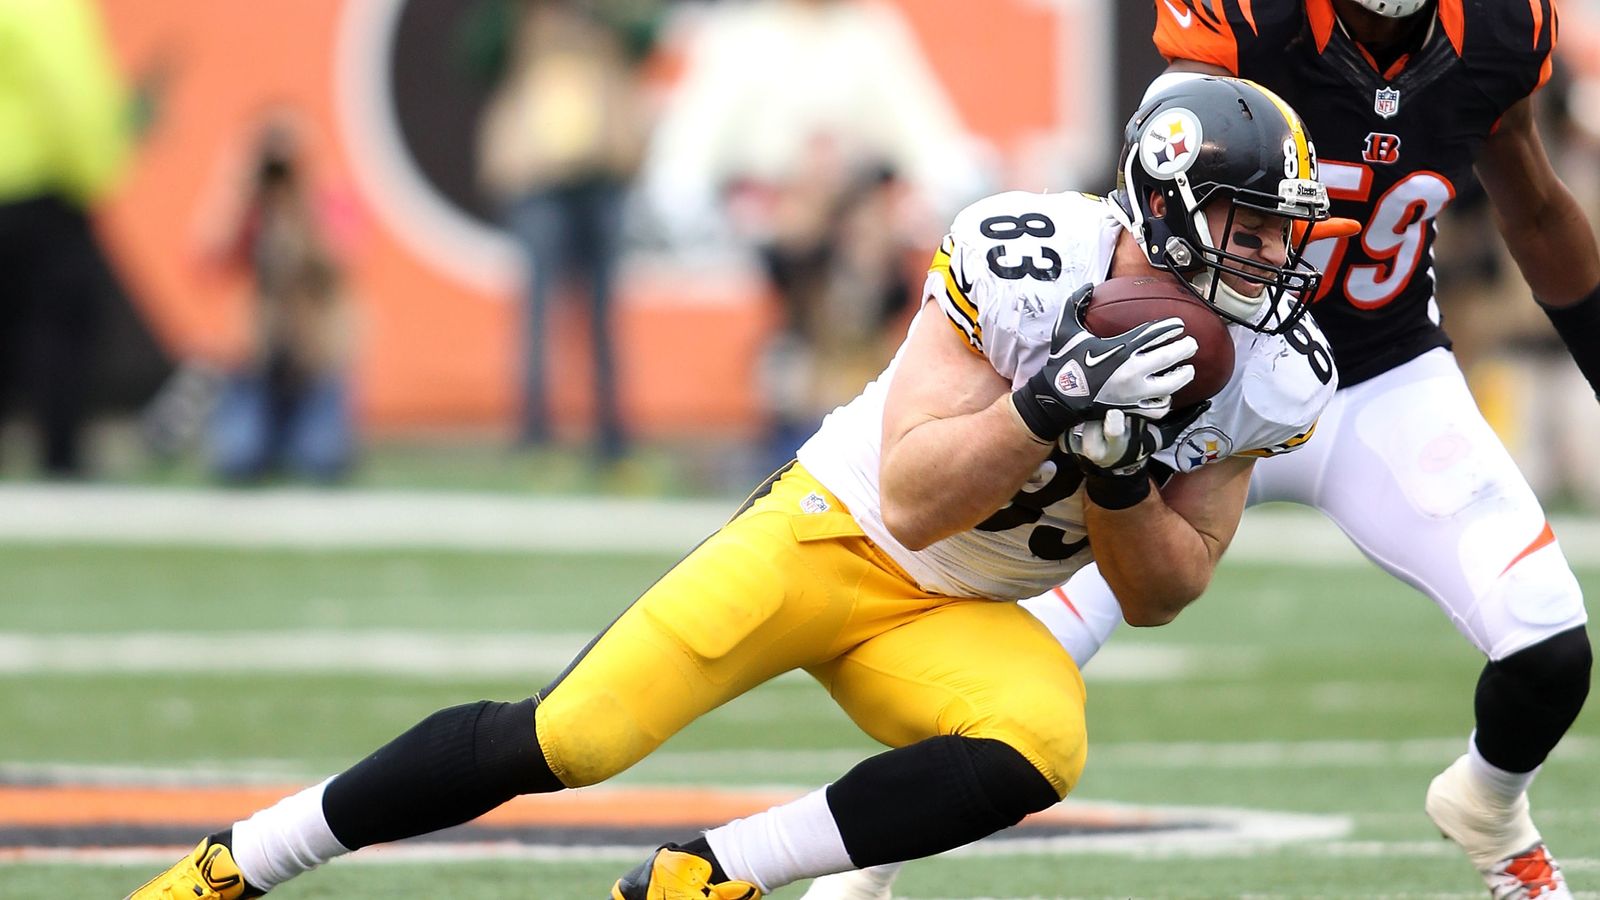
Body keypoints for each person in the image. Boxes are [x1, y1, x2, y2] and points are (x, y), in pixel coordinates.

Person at [123, 76, 1339, 900]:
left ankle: (709, 874)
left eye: (1284, 230)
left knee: (1041, 741)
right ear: (1167, 200)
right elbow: (913, 496)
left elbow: (1172, 585)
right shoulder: (1026, 261)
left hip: (962, 615)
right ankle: (239, 862)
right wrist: (1045, 408)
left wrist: (1121, 475)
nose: (1275, 258)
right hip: (833, 534)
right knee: (574, 736)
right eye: (1250, 224)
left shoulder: (1276, 370)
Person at [805, 1, 1596, 898]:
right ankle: (860, 871)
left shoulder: (1499, 30)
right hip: (1201, 372)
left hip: (1378, 374)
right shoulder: (1251, 20)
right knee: (1018, 664)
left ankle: (1491, 807)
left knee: (1548, 639)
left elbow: (1534, 211)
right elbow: (1149, 190)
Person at [470, 0, 660, 462]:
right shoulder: (522, 19)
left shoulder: (609, 19)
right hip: (540, 175)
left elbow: (649, 35)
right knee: (537, 309)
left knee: (601, 312)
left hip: (602, 174)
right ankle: (534, 430)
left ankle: (610, 432)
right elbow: (476, 53)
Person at [0, 0, 131, 477]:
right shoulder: (47, 8)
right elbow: (70, 94)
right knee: (61, 328)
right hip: (37, 188)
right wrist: (96, 170)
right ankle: (60, 454)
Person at [205, 123, 357, 484]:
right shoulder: (250, 211)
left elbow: (341, 266)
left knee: (323, 461)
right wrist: (240, 195)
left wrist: (302, 210)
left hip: (312, 364)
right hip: (258, 365)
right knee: (237, 460)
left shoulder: (327, 205)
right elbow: (207, 256)